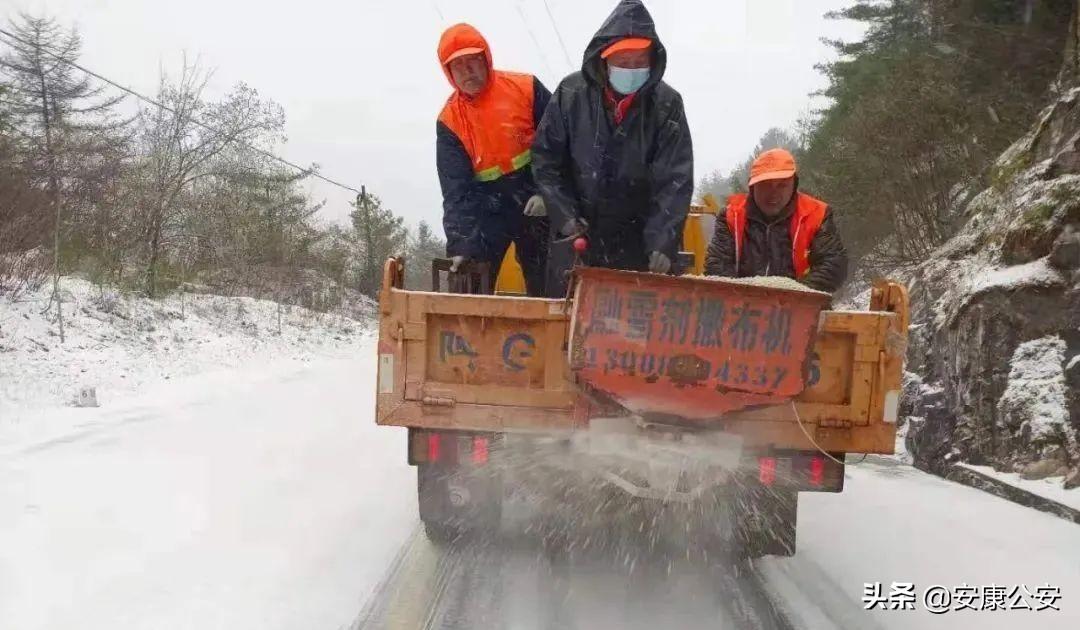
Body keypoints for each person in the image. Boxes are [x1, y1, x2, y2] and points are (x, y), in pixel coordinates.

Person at [532, 0, 693, 297]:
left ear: (652, 61)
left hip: (637, 244)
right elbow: (546, 161)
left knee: (630, 333)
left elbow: (674, 180)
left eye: (639, 61)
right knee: (566, 329)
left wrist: (662, 239)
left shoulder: (667, 105)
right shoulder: (571, 94)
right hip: (577, 239)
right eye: (623, 61)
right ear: (604, 60)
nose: (631, 69)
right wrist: (564, 215)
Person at [436, 23, 552, 296]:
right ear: (448, 72)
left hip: (534, 199)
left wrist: (546, 191)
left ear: (486, 58)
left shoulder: (526, 88)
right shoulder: (449, 121)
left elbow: (558, 144)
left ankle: (553, 334)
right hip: (486, 207)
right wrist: (461, 243)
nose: (467, 70)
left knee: (549, 279)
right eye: (457, 65)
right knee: (469, 276)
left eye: (473, 60)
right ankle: (470, 335)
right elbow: (455, 189)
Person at [704, 148, 849, 293]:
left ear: (794, 185)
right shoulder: (731, 216)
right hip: (741, 306)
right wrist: (746, 297)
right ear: (752, 187)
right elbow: (717, 265)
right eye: (765, 185)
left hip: (800, 305)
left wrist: (792, 296)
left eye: (782, 185)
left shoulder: (817, 214)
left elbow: (833, 265)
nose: (773, 194)